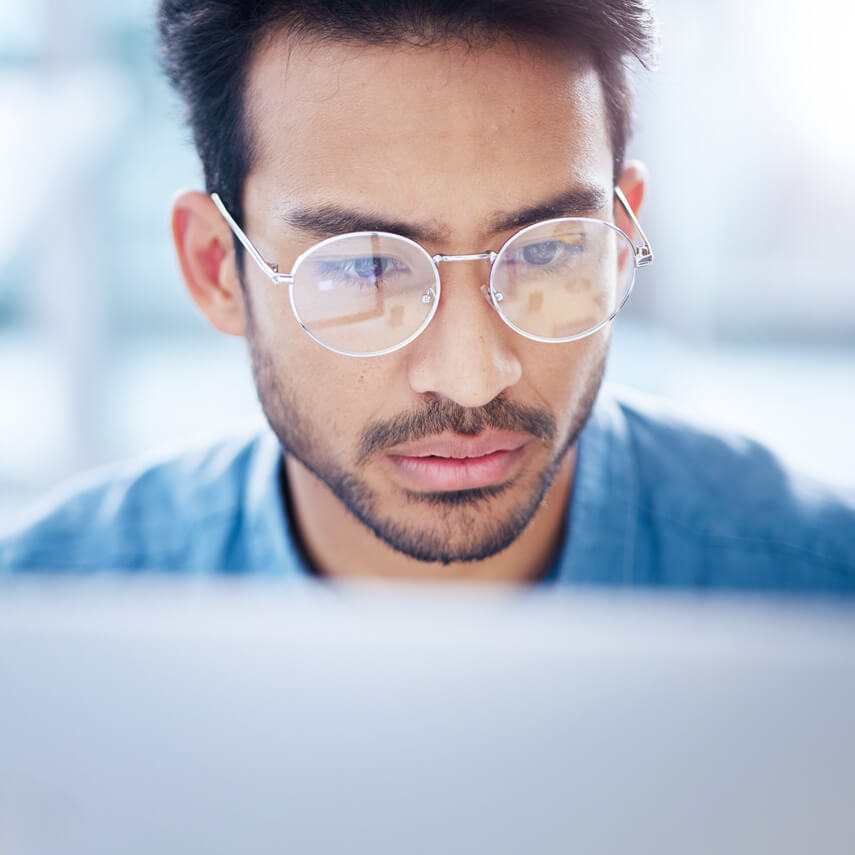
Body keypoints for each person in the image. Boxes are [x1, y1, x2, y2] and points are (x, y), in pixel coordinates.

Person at [1, 0, 852, 588]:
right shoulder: (41, 620)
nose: (473, 376)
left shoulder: (814, 596)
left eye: (548, 250)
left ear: (624, 234)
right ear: (216, 267)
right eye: (367, 268)